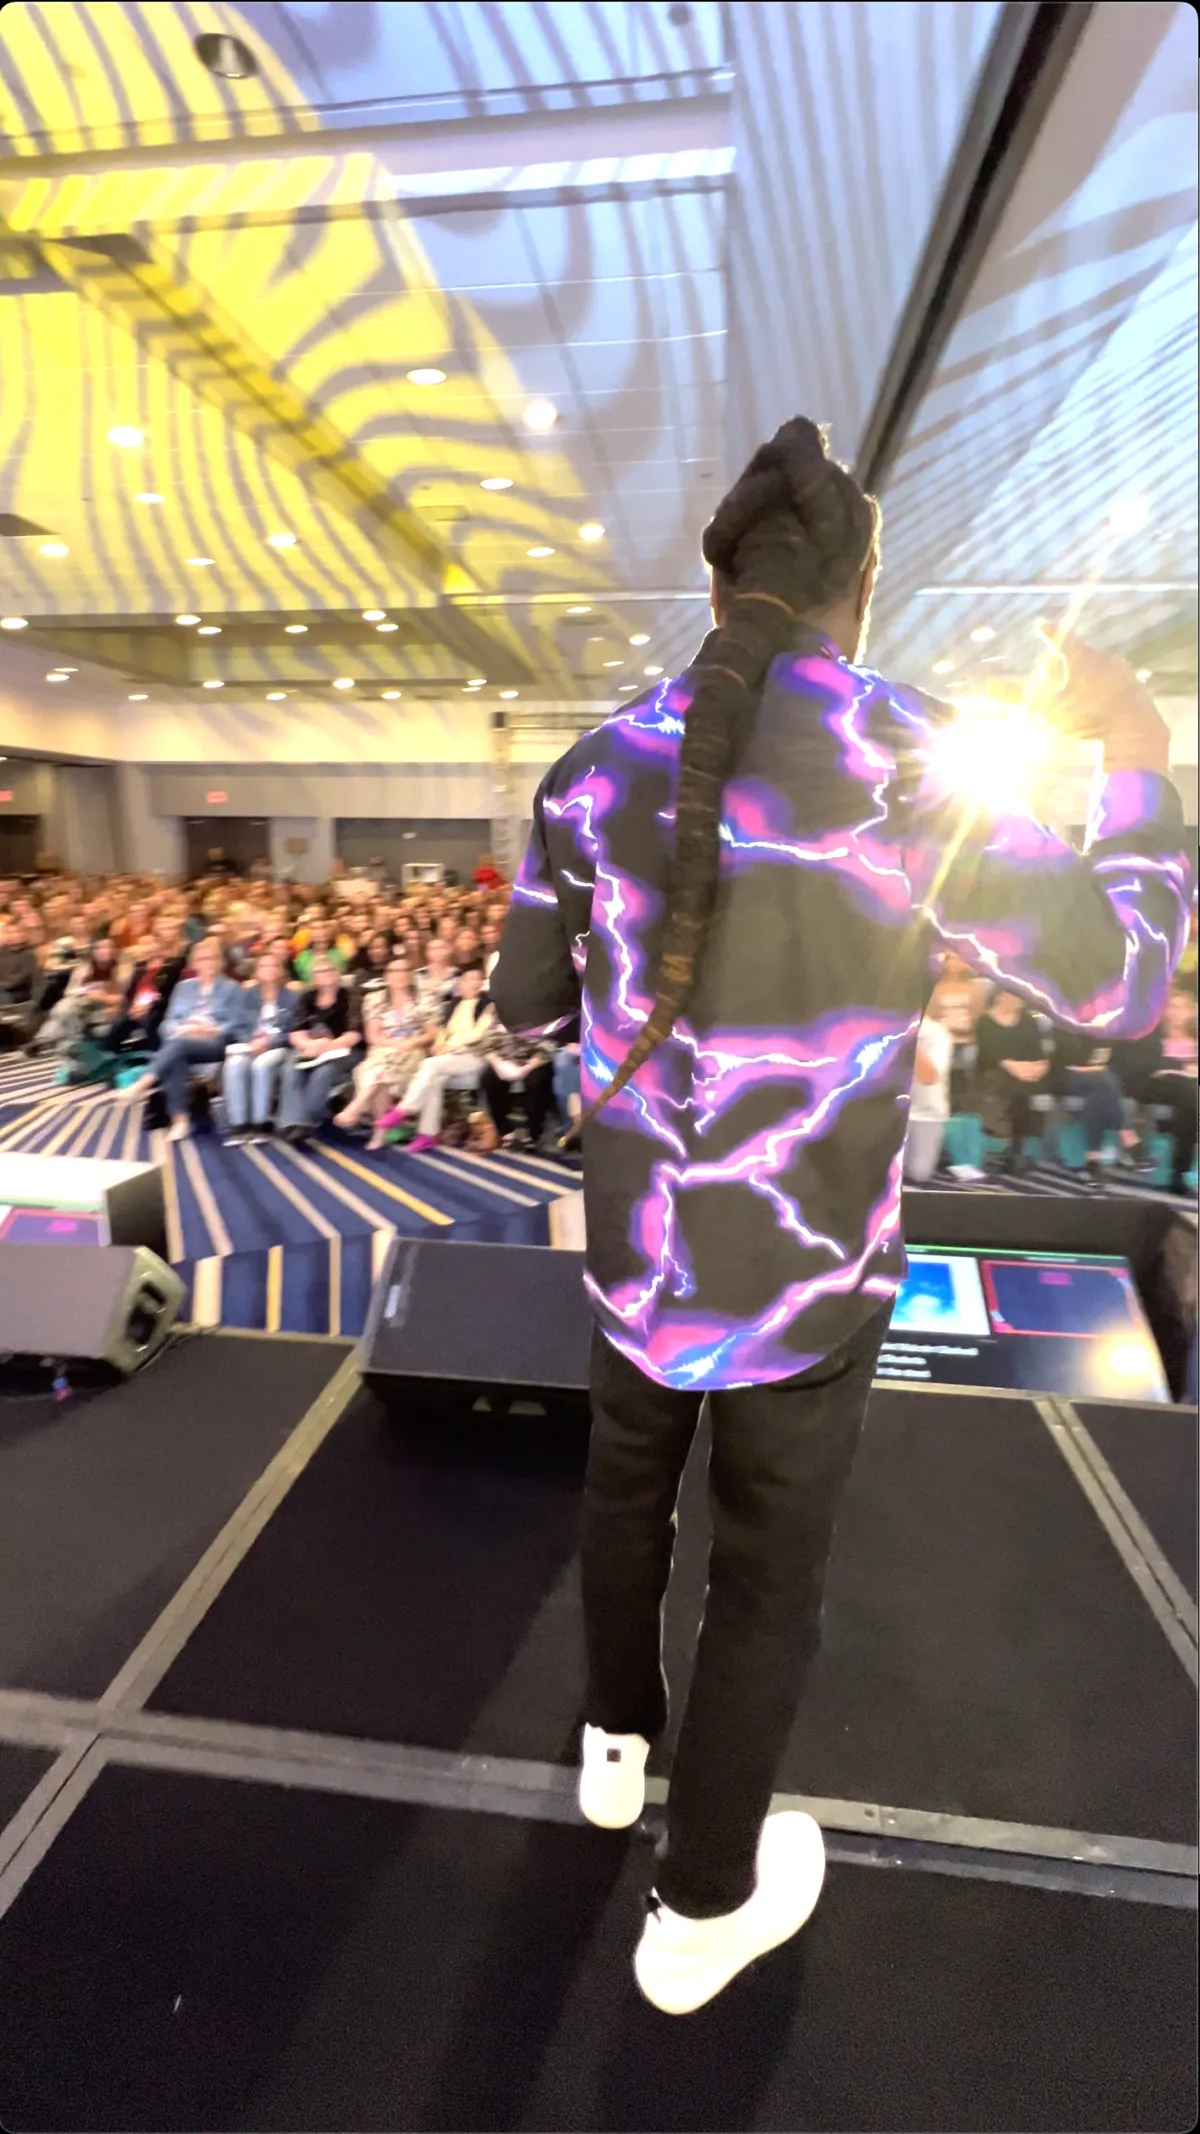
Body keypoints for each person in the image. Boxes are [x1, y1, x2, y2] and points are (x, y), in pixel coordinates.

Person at [491, 415, 1193, 2015]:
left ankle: (614, 1750)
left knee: (623, 1498)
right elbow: (1123, 983)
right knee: (764, 1573)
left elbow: (525, 1006)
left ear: (716, 582)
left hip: (633, 1256)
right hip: (808, 1280)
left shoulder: (589, 765)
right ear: (860, 591)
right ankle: (699, 1906)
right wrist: (1136, 748)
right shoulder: (908, 758)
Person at [122, 935, 246, 1140]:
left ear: (220, 962)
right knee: (176, 1054)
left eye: (213, 958)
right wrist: (180, 1029)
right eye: (202, 959)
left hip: (215, 1043)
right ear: (194, 963)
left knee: (175, 1047)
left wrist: (210, 1030)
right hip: (183, 1040)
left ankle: (142, 1084)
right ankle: (181, 1121)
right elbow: (168, 1022)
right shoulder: (183, 987)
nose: (208, 963)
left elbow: (236, 1023)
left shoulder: (232, 988)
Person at [371, 962, 494, 1151]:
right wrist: (438, 1045)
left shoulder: (488, 1005)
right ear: (460, 983)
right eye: (469, 979)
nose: (475, 983)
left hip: (475, 1055)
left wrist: (449, 1046)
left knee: (430, 1065)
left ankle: (403, 1110)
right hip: (450, 1058)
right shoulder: (453, 1004)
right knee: (433, 1079)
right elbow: (442, 1031)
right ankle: (427, 1134)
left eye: (478, 979)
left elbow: (477, 1034)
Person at [333, 957, 424, 1134]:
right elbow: (372, 1036)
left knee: (378, 1072)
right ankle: (378, 1128)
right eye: (394, 971)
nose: (399, 975)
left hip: (412, 1051)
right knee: (378, 1070)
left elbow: (431, 1033)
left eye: (404, 971)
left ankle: (358, 1109)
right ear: (386, 976)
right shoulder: (374, 999)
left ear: (411, 975)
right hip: (383, 1050)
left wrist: (412, 1042)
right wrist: (395, 1043)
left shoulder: (423, 999)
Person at [275, 954, 358, 1146]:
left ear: (337, 973)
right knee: (291, 1068)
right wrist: (310, 1045)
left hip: (344, 1049)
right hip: (311, 1048)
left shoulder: (350, 996)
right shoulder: (307, 997)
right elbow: (296, 1032)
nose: (324, 974)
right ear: (312, 976)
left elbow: (355, 1033)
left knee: (323, 1072)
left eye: (328, 970)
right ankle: (291, 1124)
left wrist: (327, 1046)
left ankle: (305, 1122)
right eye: (318, 972)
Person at [222, 948, 299, 1143]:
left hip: (278, 1046)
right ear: (256, 971)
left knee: (261, 1065)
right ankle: (239, 1124)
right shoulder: (246, 995)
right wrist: (250, 1040)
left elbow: (294, 1030)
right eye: (264, 966)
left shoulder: (292, 997)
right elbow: (235, 1025)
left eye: (274, 965)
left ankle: (261, 1123)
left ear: (281, 970)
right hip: (248, 1044)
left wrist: (268, 1042)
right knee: (234, 1065)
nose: (270, 969)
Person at [974, 990, 1049, 1172]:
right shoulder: (984, 1022)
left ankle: (1018, 1149)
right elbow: (992, 1055)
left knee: (1029, 1089)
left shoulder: (1028, 1020)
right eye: (1016, 996)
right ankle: (1014, 1149)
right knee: (1017, 1089)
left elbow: (1038, 1051)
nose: (1020, 1001)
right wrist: (1015, 1067)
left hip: (1027, 1071)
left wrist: (1038, 1067)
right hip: (994, 1071)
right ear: (1001, 996)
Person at [903, 999, 954, 1182]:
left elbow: (929, 1077)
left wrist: (908, 1039)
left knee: (918, 1174)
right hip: (889, 1111)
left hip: (926, 1113)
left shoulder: (936, 1033)